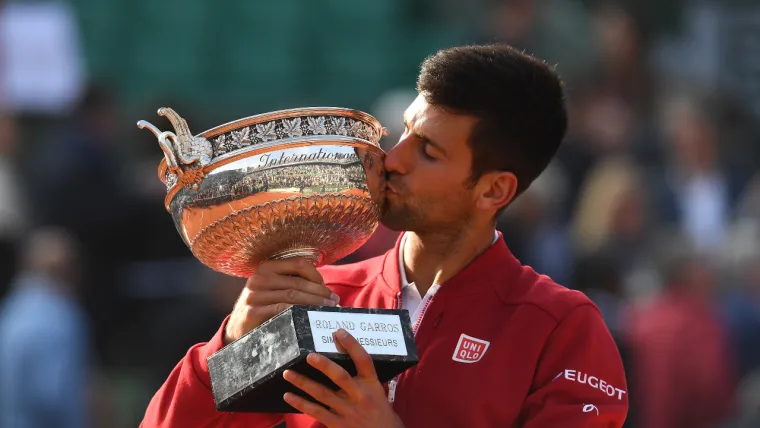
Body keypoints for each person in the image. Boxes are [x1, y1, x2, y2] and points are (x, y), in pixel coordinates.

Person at [141, 44, 628, 427]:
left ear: (493, 190)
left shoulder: (560, 328)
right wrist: (232, 344)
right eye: (404, 133)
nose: (393, 159)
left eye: (429, 151)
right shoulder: (320, 294)